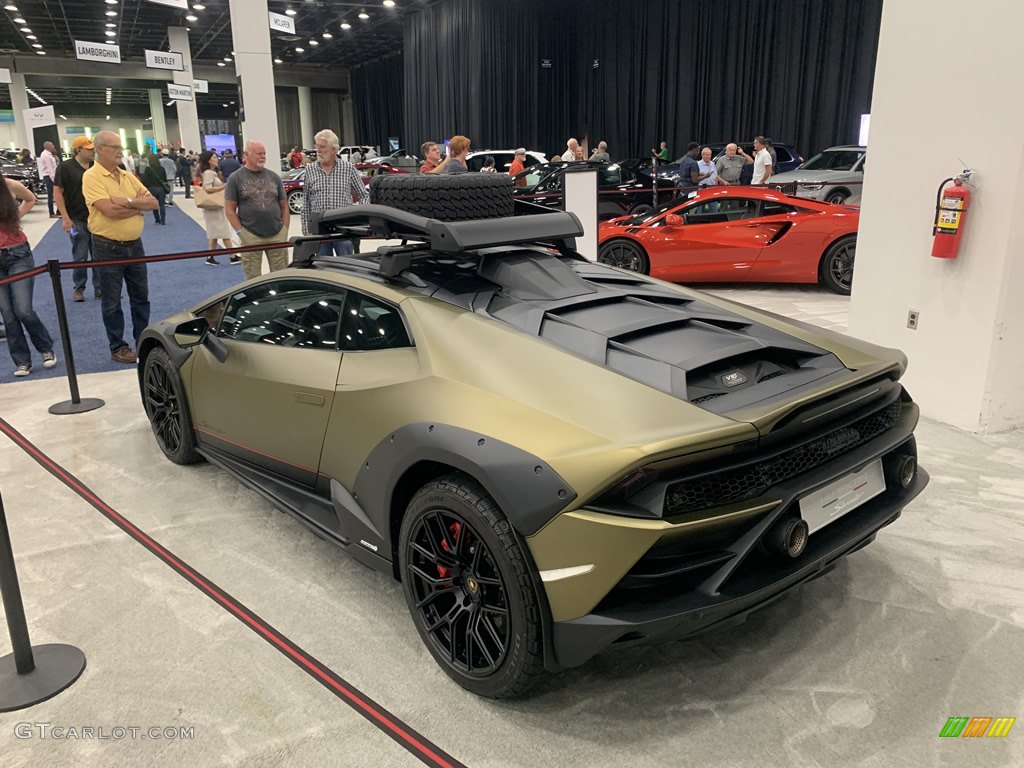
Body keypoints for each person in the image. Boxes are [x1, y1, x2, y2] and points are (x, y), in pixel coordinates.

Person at [82, 130, 158, 365]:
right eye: (115, 147)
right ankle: (118, 346)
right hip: (107, 247)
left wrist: (126, 202)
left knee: (141, 297)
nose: (120, 152)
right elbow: (108, 211)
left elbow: (153, 202)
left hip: (135, 245)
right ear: (100, 149)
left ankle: (142, 340)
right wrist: (137, 206)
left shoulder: (125, 175)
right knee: (112, 301)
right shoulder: (92, 176)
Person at [0, 170, 57, 377]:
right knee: (7, 313)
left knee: (23, 309)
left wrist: (16, 217)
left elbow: (30, 199)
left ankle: (45, 348)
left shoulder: (8, 185)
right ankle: (22, 361)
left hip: (17, 254)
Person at [225, 139, 290, 281]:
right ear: (246, 154)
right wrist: (241, 232)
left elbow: (284, 207)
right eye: (259, 153)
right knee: (252, 279)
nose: (263, 156)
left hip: (277, 234)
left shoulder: (274, 177)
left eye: (264, 153)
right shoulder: (235, 178)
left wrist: (284, 229)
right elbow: (230, 210)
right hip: (250, 235)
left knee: (282, 277)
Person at [302, 129, 369, 256]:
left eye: (322, 147)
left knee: (346, 268)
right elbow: (306, 202)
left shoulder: (348, 168)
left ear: (334, 150)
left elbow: (364, 195)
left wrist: (360, 218)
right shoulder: (310, 170)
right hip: (319, 231)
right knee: (324, 269)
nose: (318, 150)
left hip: (343, 230)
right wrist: (306, 229)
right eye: (317, 146)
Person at [53, 135, 101, 302]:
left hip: (97, 217)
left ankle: (100, 289)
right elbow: (57, 192)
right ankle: (79, 288)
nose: (92, 151)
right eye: (89, 149)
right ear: (78, 149)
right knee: (80, 255)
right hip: (76, 218)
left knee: (98, 254)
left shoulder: (96, 166)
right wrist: (65, 218)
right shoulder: (65, 167)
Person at [197, 150, 239, 266]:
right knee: (224, 231)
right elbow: (207, 188)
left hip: (215, 207)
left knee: (214, 233)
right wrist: (222, 187)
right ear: (209, 160)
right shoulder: (209, 173)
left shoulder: (210, 172)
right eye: (214, 157)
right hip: (214, 207)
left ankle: (210, 257)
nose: (217, 159)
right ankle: (232, 256)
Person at [140, 149, 167, 224]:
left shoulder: (148, 169)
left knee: (154, 205)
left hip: (152, 188)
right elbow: (165, 179)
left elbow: (145, 180)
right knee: (162, 205)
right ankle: (163, 220)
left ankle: (157, 219)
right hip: (161, 188)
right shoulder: (162, 169)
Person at [36, 141, 59, 217]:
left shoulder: (49, 154)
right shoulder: (45, 155)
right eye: (52, 145)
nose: (53, 146)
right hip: (49, 177)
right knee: (50, 195)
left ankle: (58, 211)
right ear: (47, 146)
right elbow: (49, 169)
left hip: (51, 176)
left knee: (55, 194)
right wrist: (54, 179)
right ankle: (51, 212)